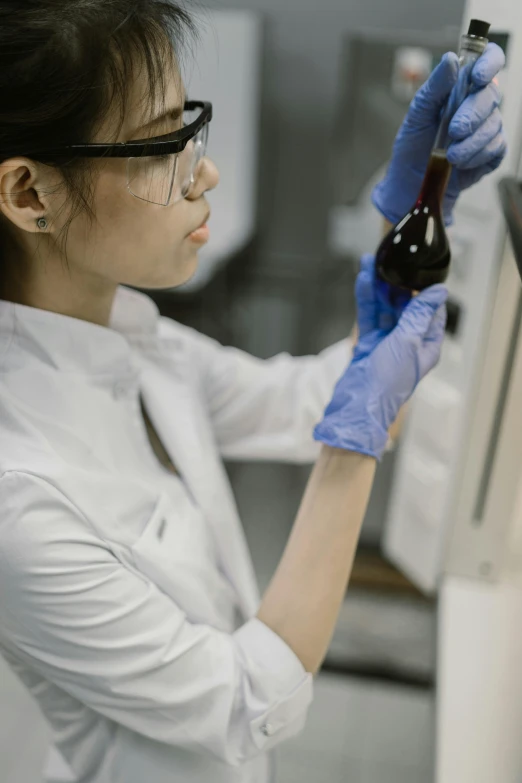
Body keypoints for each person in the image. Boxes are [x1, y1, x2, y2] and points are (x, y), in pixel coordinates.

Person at [0, 2, 506, 782]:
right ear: (31, 195)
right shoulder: (20, 497)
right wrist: (356, 441)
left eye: (189, 127)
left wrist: (415, 217)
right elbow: (243, 702)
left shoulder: (132, 335)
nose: (205, 170)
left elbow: (310, 399)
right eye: (162, 146)